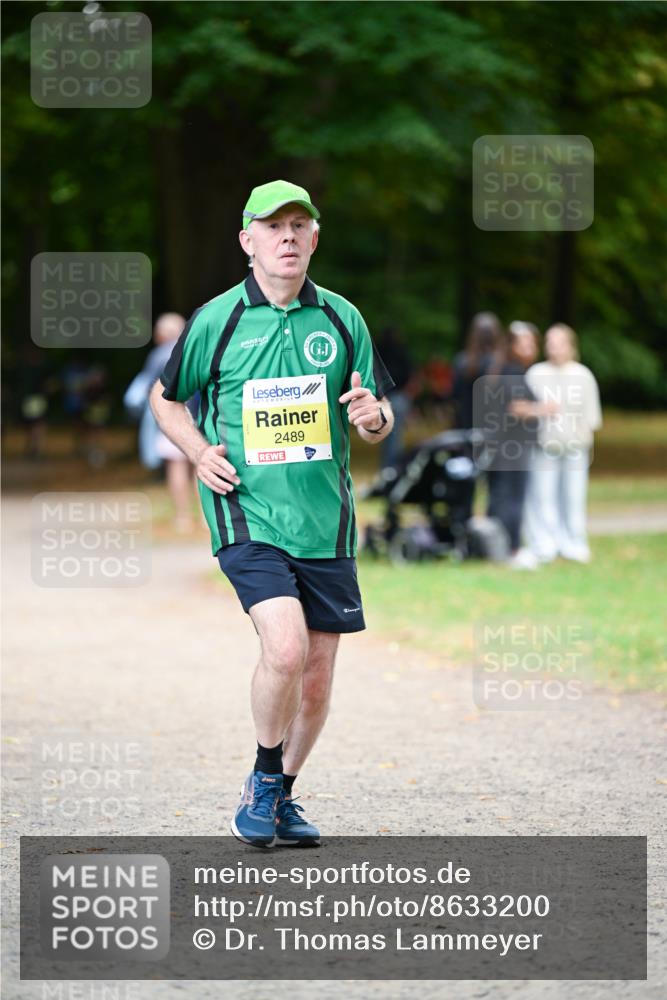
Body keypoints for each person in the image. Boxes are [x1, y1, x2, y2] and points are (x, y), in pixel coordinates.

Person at [150, 180, 395, 848]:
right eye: (273, 226)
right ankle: (262, 779)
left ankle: (282, 795)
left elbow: (374, 413)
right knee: (283, 649)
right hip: (246, 513)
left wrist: (375, 418)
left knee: (315, 679)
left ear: (314, 238)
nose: (287, 237)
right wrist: (199, 453)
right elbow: (165, 400)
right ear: (246, 241)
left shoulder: (342, 318)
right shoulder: (218, 320)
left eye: (299, 226)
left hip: (326, 522)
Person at [525, 324, 602, 563]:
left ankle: (574, 543)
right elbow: (524, 410)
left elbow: (592, 416)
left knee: (573, 496)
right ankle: (545, 543)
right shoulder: (536, 374)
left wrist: (580, 433)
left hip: (575, 447)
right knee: (543, 496)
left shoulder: (583, 375)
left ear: (571, 346)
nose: (554, 349)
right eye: (550, 343)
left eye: (559, 343)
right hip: (544, 446)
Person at [125, 313, 198, 532]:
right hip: (200, 416)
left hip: (171, 417)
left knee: (176, 466)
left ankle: (183, 517)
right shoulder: (195, 350)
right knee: (201, 465)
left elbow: (145, 388)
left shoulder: (158, 356)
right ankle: (206, 518)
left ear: (161, 334)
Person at [375, 326, 415, 469]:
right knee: (396, 434)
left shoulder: (378, 352)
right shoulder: (402, 351)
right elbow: (410, 373)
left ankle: (388, 465)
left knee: (384, 434)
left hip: (383, 396)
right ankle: (393, 466)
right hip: (399, 396)